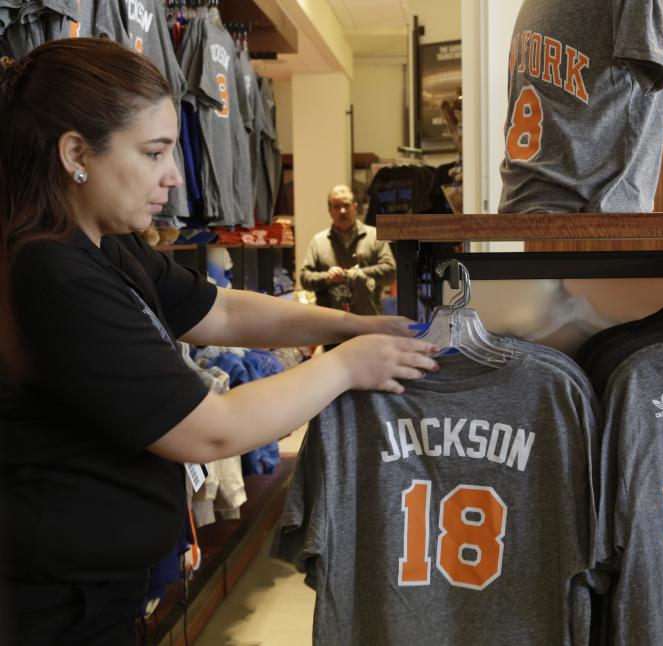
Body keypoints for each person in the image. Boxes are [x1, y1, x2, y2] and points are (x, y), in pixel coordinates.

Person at [0, 39, 438, 646]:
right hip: (54, 607)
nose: (175, 175)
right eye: (153, 153)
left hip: (103, 590)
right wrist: (346, 366)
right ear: (75, 153)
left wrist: (350, 326)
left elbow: (219, 310)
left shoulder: (107, 242)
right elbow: (209, 428)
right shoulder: (52, 272)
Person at [300, 185, 396, 315]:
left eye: (346, 205)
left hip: (369, 321)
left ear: (355, 207)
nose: (343, 211)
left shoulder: (374, 236)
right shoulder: (318, 241)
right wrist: (327, 277)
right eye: (337, 206)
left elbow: (390, 271)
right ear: (329, 210)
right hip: (329, 323)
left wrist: (356, 273)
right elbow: (304, 278)